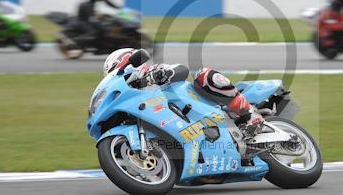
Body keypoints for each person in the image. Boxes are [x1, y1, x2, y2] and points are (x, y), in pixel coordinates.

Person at [103, 48, 264, 137]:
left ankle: (249, 114)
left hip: (202, 104)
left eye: (116, 70)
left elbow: (182, 70)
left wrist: (163, 75)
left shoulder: (153, 71)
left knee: (204, 74)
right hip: (186, 126)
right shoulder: (134, 99)